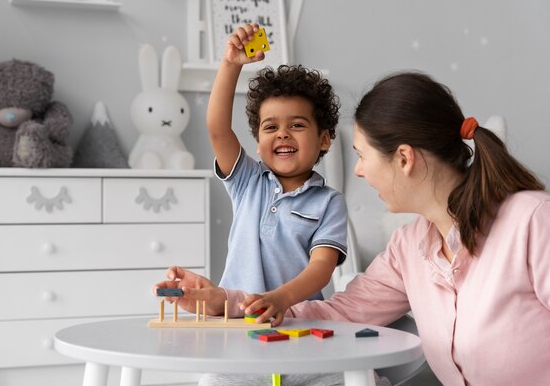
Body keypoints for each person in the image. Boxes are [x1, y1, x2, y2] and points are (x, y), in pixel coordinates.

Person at [155, 71, 550, 386]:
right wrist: (224, 300)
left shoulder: (532, 221)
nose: (358, 170)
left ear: (404, 159)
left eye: (362, 155)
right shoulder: (408, 248)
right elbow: (336, 312)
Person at [207, 22, 348, 320]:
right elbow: (218, 129)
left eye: (297, 125)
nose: (282, 134)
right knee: (231, 368)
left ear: (324, 139)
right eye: (271, 127)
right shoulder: (247, 181)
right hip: (236, 317)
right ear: (258, 143)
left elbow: (321, 268)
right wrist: (230, 65)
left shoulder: (329, 202)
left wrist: (281, 299)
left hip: (295, 318)